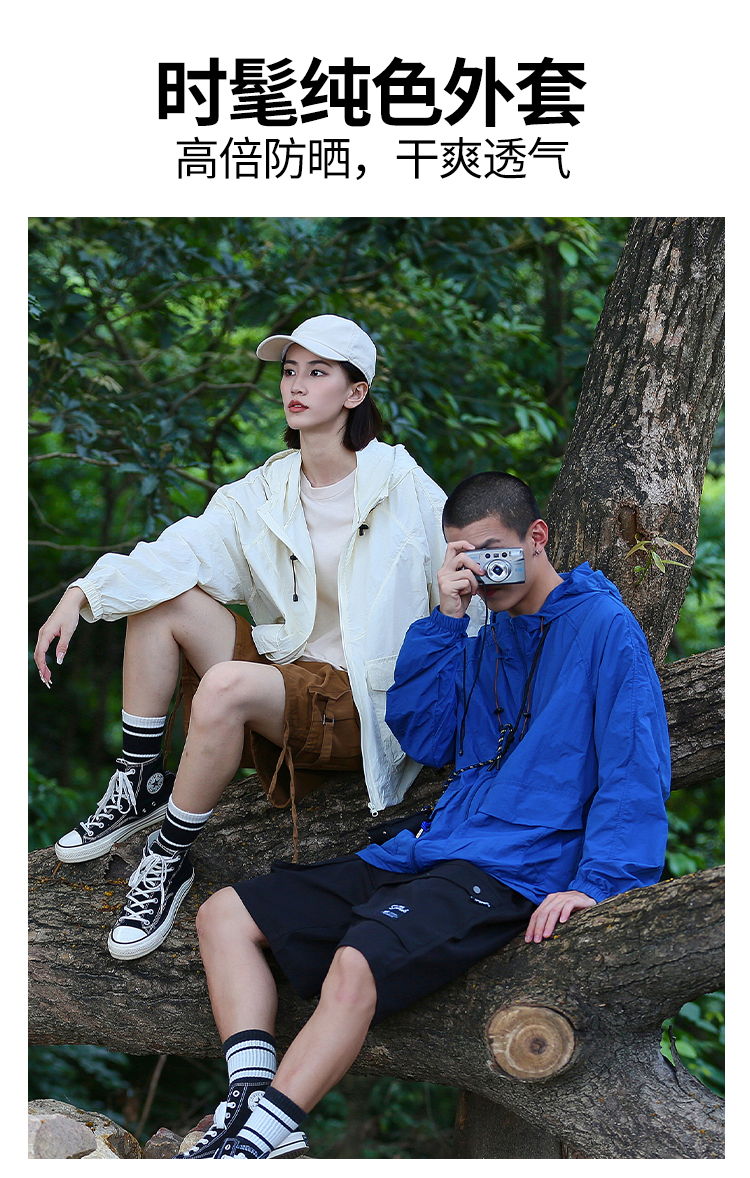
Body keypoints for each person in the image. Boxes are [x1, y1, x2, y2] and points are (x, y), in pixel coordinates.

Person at [175, 470, 671, 1159]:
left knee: (358, 960)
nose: (483, 571)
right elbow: (426, 735)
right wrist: (445, 618)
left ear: (536, 537)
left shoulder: (603, 629)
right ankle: (247, 1103)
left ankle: (262, 1139)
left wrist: (599, 884)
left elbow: (633, 769)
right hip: (433, 849)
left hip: (514, 869)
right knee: (225, 916)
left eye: (494, 551)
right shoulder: (483, 633)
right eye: (465, 556)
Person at [33, 315, 451, 961]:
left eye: (318, 372)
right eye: (290, 371)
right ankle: (140, 779)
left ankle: (169, 856)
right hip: (287, 675)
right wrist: (81, 593)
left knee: (226, 684)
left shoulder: (405, 487)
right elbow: (179, 552)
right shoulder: (265, 489)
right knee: (160, 600)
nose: (296, 385)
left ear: (355, 392)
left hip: (361, 701)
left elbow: (464, 603)